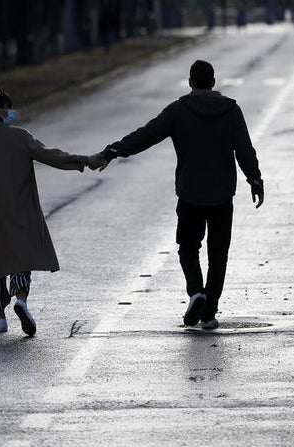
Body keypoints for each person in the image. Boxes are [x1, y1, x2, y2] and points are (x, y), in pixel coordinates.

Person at [89, 60, 264, 330]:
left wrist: (113, 151)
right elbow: (244, 148)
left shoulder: (178, 111)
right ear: (213, 82)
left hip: (190, 193)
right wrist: (254, 179)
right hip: (221, 195)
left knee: (187, 248)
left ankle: (196, 292)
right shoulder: (231, 111)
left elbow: (145, 136)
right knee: (218, 254)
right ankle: (209, 313)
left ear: (190, 82)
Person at [0, 87, 92, 336]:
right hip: (20, 212)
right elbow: (50, 156)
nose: (12, 111)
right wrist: (84, 160)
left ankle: (0, 316)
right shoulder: (20, 136)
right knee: (21, 261)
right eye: (9, 107)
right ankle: (21, 299)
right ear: (1, 110)